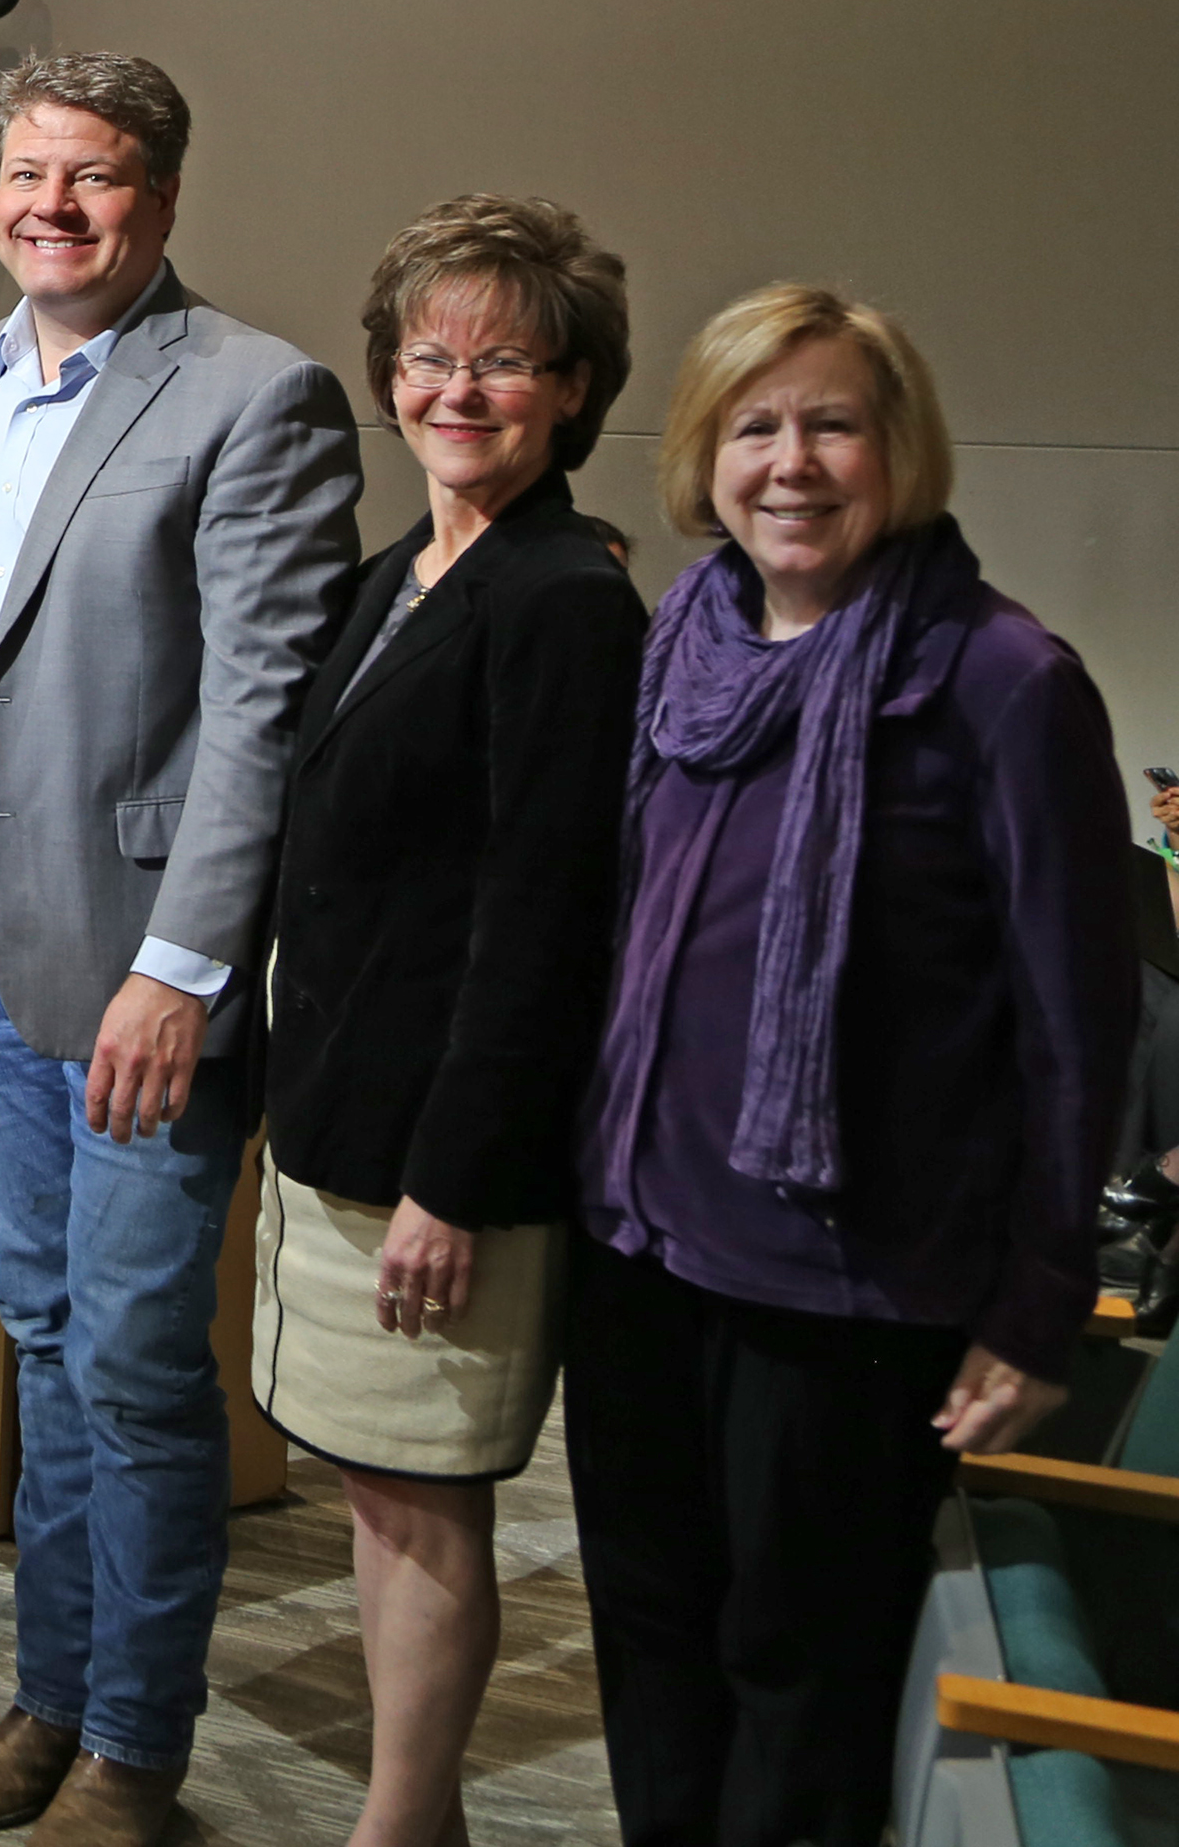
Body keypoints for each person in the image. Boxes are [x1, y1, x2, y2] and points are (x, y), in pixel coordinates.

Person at [564, 283, 1133, 1847]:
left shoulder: (1002, 678)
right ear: (704, 455)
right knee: (655, 1656)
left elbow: (1077, 1028)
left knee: (798, 1693)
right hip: (639, 1252)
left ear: (902, 451)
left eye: (834, 423)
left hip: (848, 1289)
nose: (792, 462)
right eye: (756, 424)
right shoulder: (684, 639)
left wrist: (1034, 1304)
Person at [0, 53, 363, 1847]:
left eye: (92, 179)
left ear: (159, 201)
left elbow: (258, 714)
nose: (51, 208)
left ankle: (136, 1758)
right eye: (27, 174)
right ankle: (51, 1701)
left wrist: (188, 965)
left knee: (143, 1361)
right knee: (43, 1334)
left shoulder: (257, 395)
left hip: (144, 966)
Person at [250, 197, 647, 1847]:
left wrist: (454, 1178)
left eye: (504, 359)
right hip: (345, 1116)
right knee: (379, 1483)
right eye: (429, 354)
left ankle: (403, 1825)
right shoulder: (396, 577)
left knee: (424, 1503)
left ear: (570, 390)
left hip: (442, 1160)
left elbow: (544, 918)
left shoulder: (565, 599)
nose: (457, 387)